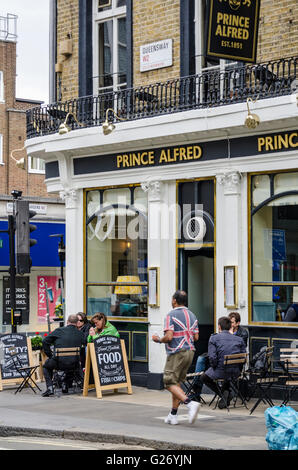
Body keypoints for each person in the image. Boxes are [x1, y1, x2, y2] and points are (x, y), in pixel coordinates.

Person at [152, 290, 200, 425]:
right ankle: (173, 415)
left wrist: (158, 340)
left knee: (168, 382)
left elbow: (169, 337)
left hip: (176, 352)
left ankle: (190, 404)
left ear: (174, 300)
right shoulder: (193, 315)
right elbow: (196, 337)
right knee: (176, 383)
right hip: (190, 351)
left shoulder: (170, 315)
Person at [193, 316, 246, 408]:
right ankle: (225, 395)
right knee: (225, 375)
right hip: (235, 372)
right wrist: (238, 369)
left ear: (219, 327)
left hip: (220, 371)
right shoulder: (239, 339)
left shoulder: (214, 338)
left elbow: (212, 358)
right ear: (230, 327)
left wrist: (214, 367)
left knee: (204, 377)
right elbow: (244, 358)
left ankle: (223, 394)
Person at [42, 314, 84, 397]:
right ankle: (65, 386)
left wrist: (50, 355)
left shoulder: (59, 331)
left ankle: (50, 388)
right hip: (74, 364)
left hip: (58, 363)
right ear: (77, 323)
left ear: (67, 322)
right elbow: (85, 344)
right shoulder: (80, 333)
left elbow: (45, 341)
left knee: (46, 367)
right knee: (70, 364)